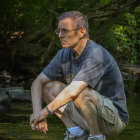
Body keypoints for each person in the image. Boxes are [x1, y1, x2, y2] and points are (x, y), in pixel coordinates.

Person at [30, 11, 129, 140]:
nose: (60, 35)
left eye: (65, 31)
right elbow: (37, 83)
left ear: (82, 31)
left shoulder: (96, 54)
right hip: (86, 113)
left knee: (78, 92)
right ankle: (76, 133)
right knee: (48, 87)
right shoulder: (63, 54)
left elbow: (74, 91)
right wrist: (38, 114)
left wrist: (45, 112)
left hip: (113, 121)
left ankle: (96, 136)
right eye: (58, 31)